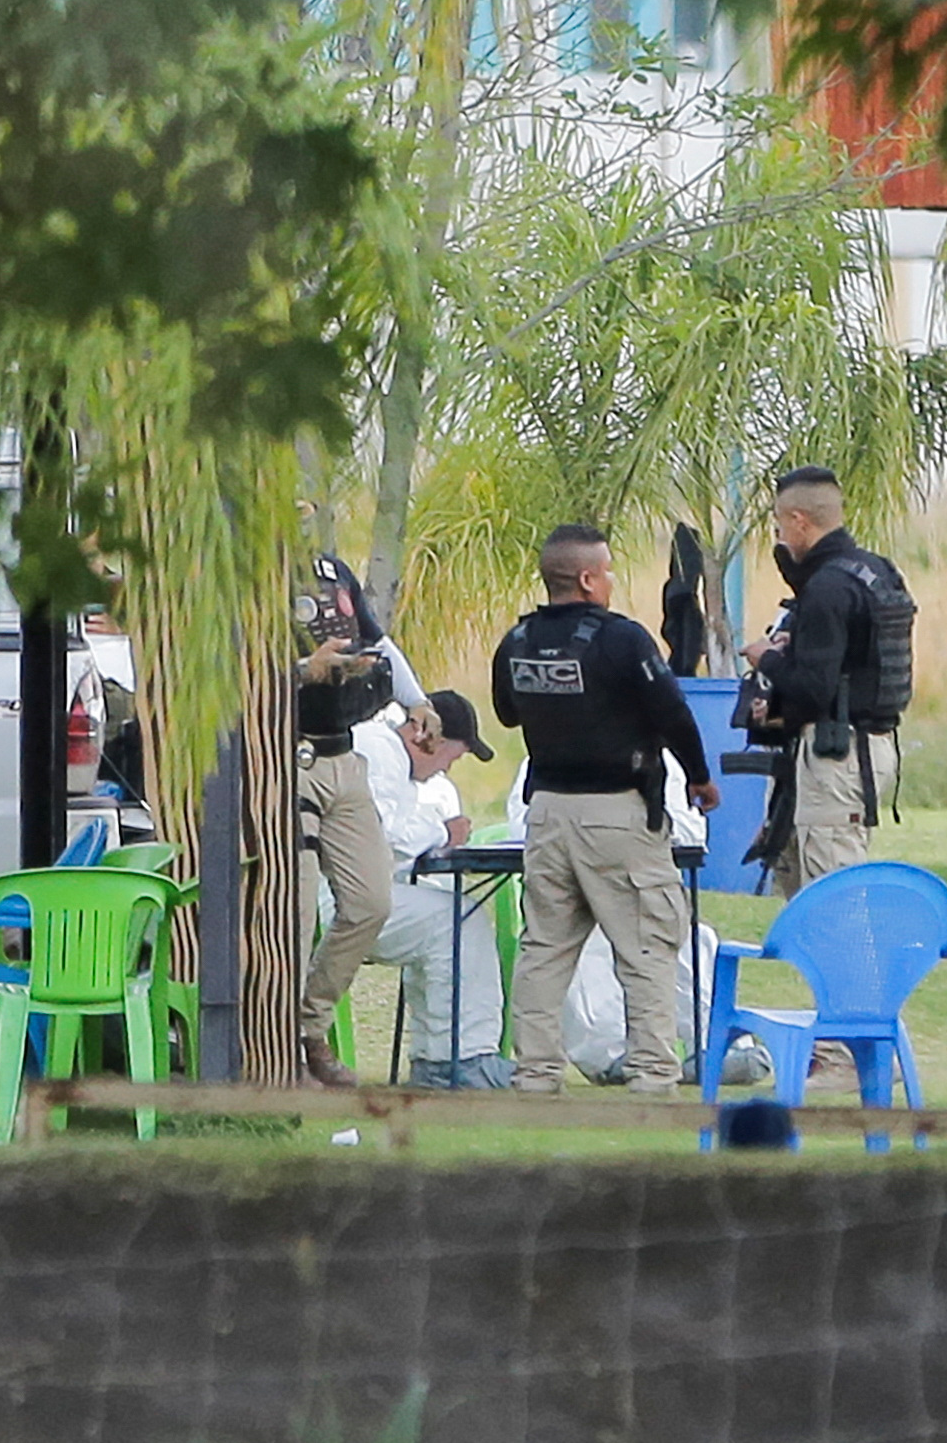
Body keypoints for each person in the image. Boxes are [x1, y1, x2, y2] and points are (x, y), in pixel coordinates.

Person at [494, 523, 719, 1095]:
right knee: (646, 944)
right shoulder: (623, 640)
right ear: (590, 579)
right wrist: (699, 778)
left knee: (545, 948)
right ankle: (652, 1074)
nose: (613, 581)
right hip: (617, 813)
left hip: (546, 813)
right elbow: (673, 715)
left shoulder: (517, 641)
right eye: (610, 571)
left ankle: (536, 1073)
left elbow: (505, 713)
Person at [742, 467, 916, 897]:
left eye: (781, 524)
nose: (779, 535)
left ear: (800, 520)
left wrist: (769, 660)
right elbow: (853, 665)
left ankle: (849, 967)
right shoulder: (874, 571)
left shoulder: (827, 588)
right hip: (854, 745)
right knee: (805, 886)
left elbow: (814, 688)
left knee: (832, 897)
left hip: (836, 756)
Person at [294, 551, 426, 1085]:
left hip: (342, 757)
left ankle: (309, 1020)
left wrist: (417, 702)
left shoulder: (331, 569)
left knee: (372, 900)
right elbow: (229, 668)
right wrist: (305, 670)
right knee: (297, 913)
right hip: (287, 758)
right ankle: (286, 1045)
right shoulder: (246, 574)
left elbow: (377, 640)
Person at [355, 688, 509, 1088]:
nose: (446, 771)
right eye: (452, 757)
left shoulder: (382, 753)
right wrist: (442, 829)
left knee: (443, 921)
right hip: (343, 899)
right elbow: (386, 835)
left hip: (345, 892)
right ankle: (461, 1060)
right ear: (428, 738)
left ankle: (436, 1058)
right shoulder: (381, 753)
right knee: (461, 920)